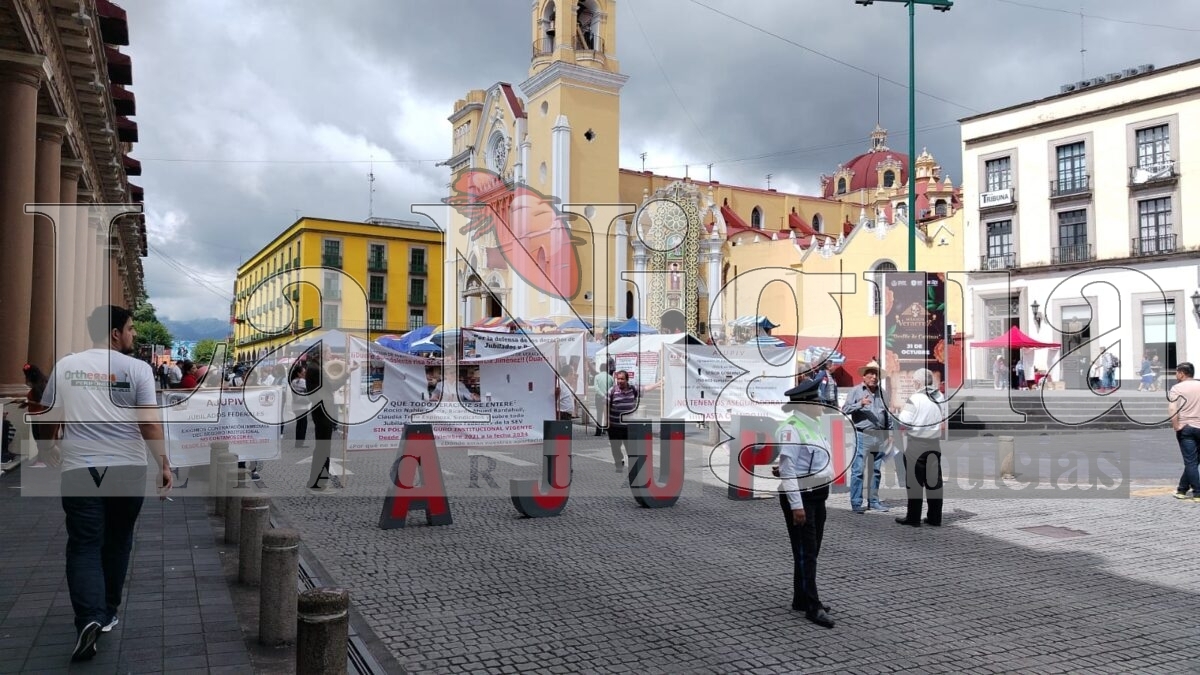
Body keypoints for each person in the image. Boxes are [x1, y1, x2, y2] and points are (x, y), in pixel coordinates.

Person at [36, 305, 172, 661]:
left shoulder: (67, 366)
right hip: (126, 468)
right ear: (115, 333)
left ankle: (89, 617)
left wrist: (48, 445)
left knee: (83, 545)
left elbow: (49, 412)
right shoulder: (138, 369)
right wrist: (164, 463)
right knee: (118, 540)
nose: (134, 334)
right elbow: (150, 425)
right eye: (130, 328)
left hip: (80, 468)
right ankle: (108, 611)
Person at [772, 377, 835, 628]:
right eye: (818, 400)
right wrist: (797, 506)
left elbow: (802, 463)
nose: (822, 404)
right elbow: (788, 472)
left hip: (818, 494)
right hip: (802, 497)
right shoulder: (792, 429)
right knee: (806, 552)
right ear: (806, 404)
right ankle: (812, 605)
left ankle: (801, 597)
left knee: (811, 550)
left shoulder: (813, 424)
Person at [895, 368, 948, 527]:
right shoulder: (940, 396)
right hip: (933, 443)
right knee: (934, 482)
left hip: (916, 444)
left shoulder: (915, 398)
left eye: (914, 381)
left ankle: (913, 518)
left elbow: (904, 421)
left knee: (914, 482)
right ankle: (934, 517)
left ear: (918, 382)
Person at [841, 359, 893, 514]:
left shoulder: (883, 392)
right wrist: (860, 404)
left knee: (875, 470)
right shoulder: (856, 391)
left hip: (879, 435)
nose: (873, 377)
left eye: (876, 374)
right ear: (864, 376)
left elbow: (887, 413)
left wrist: (890, 432)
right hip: (862, 435)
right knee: (858, 470)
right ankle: (856, 503)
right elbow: (845, 409)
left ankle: (874, 501)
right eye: (870, 374)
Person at [1168, 362, 1200, 501]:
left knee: (1190, 462)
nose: (1176, 375)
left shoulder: (1177, 388)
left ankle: (1198, 492)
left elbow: (1172, 409)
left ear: (1182, 373)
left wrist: (1176, 425)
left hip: (1186, 427)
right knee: (1195, 460)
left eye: (1176, 372)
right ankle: (1182, 489)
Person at [592, 361, 614, 436]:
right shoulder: (610, 377)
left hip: (599, 398)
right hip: (608, 398)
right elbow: (613, 388)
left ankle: (598, 432)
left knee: (599, 414)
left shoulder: (597, 377)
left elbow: (596, 388)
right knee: (607, 414)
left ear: (600, 369)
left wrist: (602, 395)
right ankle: (605, 429)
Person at [291, 363, 310, 447]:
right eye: (303, 373)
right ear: (298, 373)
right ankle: (300, 443)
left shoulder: (293, 381)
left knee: (299, 424)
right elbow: (309, 389)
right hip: (302, 405)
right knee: (303, 425)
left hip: (296, 406)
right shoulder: (302, 381)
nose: (305, 374)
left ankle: (298, 442)